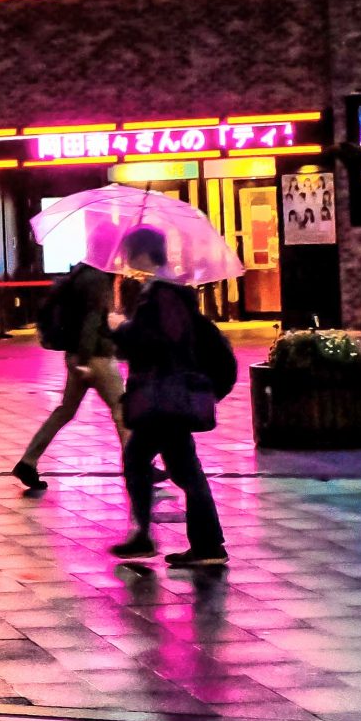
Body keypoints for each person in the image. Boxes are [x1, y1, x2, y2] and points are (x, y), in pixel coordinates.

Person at [112, 227, 229, 567]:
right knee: (179, 467)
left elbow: (162, 341)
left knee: (143, 461)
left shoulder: (161, 293)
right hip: (168, 394)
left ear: (142, 252)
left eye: (128, 250)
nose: (125, 258)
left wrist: (122, 330)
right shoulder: (167, 289)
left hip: (163, 395)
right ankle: (203, 544)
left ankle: (148, 538)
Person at [12, 254, 123, 493]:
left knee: (65, 410)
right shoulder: (97, 278)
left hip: (75, 355)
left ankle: (28, 461)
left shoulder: (81, 273)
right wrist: (85, 360)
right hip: (95, 357)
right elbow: (91, 321)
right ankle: (139, 466)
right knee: (122, 410)